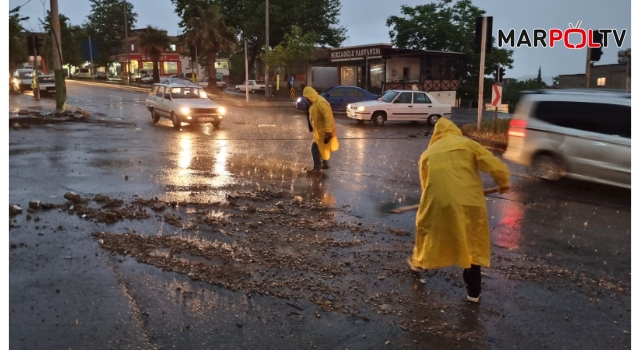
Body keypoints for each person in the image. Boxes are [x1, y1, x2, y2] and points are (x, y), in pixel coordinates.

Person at [407, 118, 510, 303]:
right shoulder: (468, 144)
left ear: (436, 135)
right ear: (455, 131)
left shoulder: (428, 153)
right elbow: (494, 165)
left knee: (427, 231)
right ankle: (473, 292)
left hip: (437, 202)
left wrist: (432, 203)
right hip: (469, 203)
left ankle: (418, 262)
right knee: (473, 242)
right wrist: (503, 183)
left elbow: (426, 185)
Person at [303, 87, 339, 175]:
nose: (306, 99)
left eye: (307, 97)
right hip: (319, 132)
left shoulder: (321, 103)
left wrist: (328, 131)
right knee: (322, 149)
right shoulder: (314, 103)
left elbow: (328, 118)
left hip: (324, 132)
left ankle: (317, 168)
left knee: (314, 149)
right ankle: (325, 164)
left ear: (310, 96)